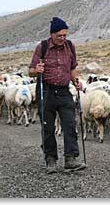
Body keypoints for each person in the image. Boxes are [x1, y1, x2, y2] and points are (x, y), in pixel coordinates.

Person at [29, 17, 86, 174]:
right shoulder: (42, 47)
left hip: (63, 91)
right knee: (48, 126)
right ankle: (51, 159)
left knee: (70, 123)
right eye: (59, 35)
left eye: (65, 35)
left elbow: (73, 67)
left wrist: (76, 81)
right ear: (52, 34)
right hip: (46, 91)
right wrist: (36, 71)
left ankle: (71, 159)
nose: (62, 38)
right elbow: (31, 71)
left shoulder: (70, 47)